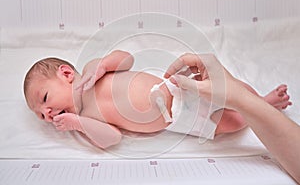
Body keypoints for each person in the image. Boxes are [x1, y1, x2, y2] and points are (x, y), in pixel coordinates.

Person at [23, 50, 291, 149]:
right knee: (230, 123)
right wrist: (76, 123)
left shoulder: (95, 69)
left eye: (44, 98)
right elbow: (112, 139)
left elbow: (127, 59)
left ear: (67, 74)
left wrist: (105, 64)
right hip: (177, 119)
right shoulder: (87, 117)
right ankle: (263, 110)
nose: (45, 112)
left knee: (232, 88)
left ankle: (261, 101)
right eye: (40, 114)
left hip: (177, 88)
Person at [163, 53, 299, 184]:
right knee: (234, 122)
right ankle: (264, 103)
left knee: (241, 90)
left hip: (180, 89)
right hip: (183, 118)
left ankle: (261, 101)